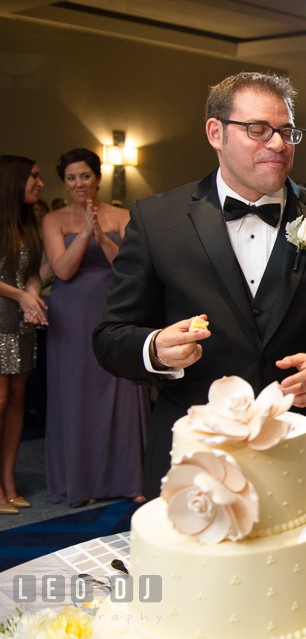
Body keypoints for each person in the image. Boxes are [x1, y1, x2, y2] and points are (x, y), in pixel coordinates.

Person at [92, 72, 306, 502]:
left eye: (287, 132)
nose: (278, 144)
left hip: (299, 449)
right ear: (216, 132)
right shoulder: (157, 221)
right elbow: (110, 337)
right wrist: (155, 347)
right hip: (194, 452)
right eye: (258, 130)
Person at [42, 148, 151, 506]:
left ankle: (130, 477)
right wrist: (84, 231)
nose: (78, 184)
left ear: (98, 178)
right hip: (71, 313)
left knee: (121, 388)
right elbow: (62, 270)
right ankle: (82, 483)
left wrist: (101, 237)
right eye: (71, 178)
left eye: (84, 176)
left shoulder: (123, 214)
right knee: (77, 393)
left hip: (115, 308)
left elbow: (129, 267)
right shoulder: (54, 220)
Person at [0, 156, 48, 515]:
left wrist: (32, 293)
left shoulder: (28, 221)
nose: (40, 183)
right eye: (34, 176)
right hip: (0, 321)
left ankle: (9, 481)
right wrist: (21, 295)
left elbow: (32, 272)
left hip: (21, 324)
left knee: (17, 399)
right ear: (14, 179)